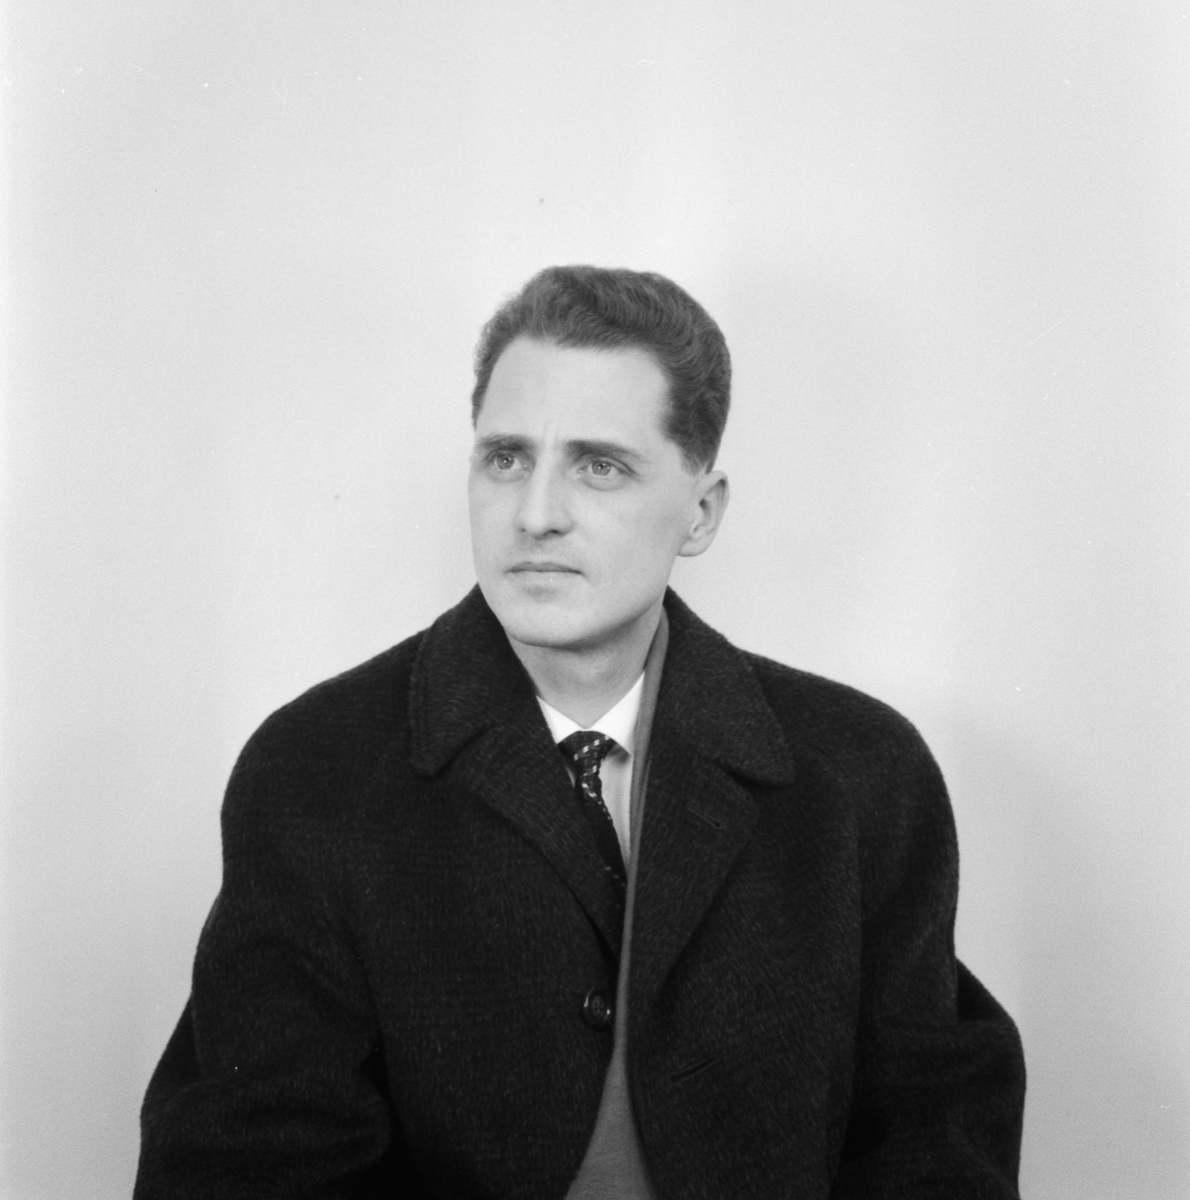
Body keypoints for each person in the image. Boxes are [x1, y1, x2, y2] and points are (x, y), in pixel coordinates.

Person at [135, 266, 1026, 1199]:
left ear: (701, 513)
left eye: (600, 466)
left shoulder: (862, 772)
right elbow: (252, 1165)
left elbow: (935, 1136)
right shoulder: (315, 768)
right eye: (506, 459)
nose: (536, 515)